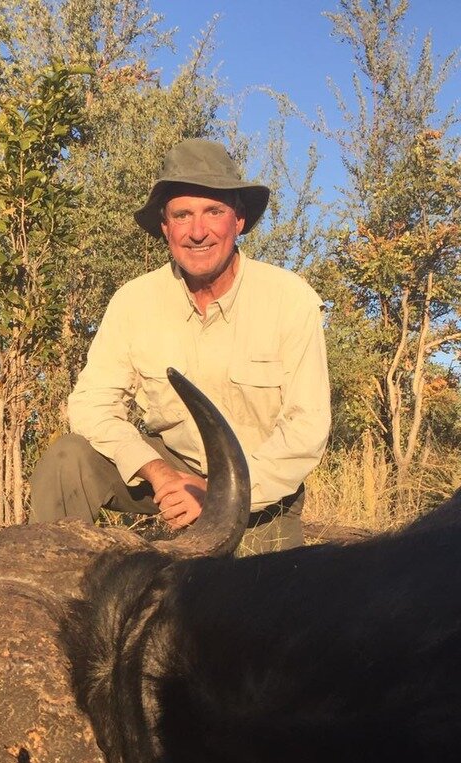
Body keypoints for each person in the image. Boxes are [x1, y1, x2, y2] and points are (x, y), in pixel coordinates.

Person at [30, 139, 331, 552]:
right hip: (171, 471)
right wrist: (157, 471)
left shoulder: (289, 299)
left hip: (258, 494)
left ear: (238, 220)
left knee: (262, 610)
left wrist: (215, 494)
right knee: (68, 459)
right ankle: (49, 584)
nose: (197, 231)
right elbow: (91, 404)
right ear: (165, 227)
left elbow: (305, 429)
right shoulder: (134, 301)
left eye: (214, 212)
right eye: (182, 215)